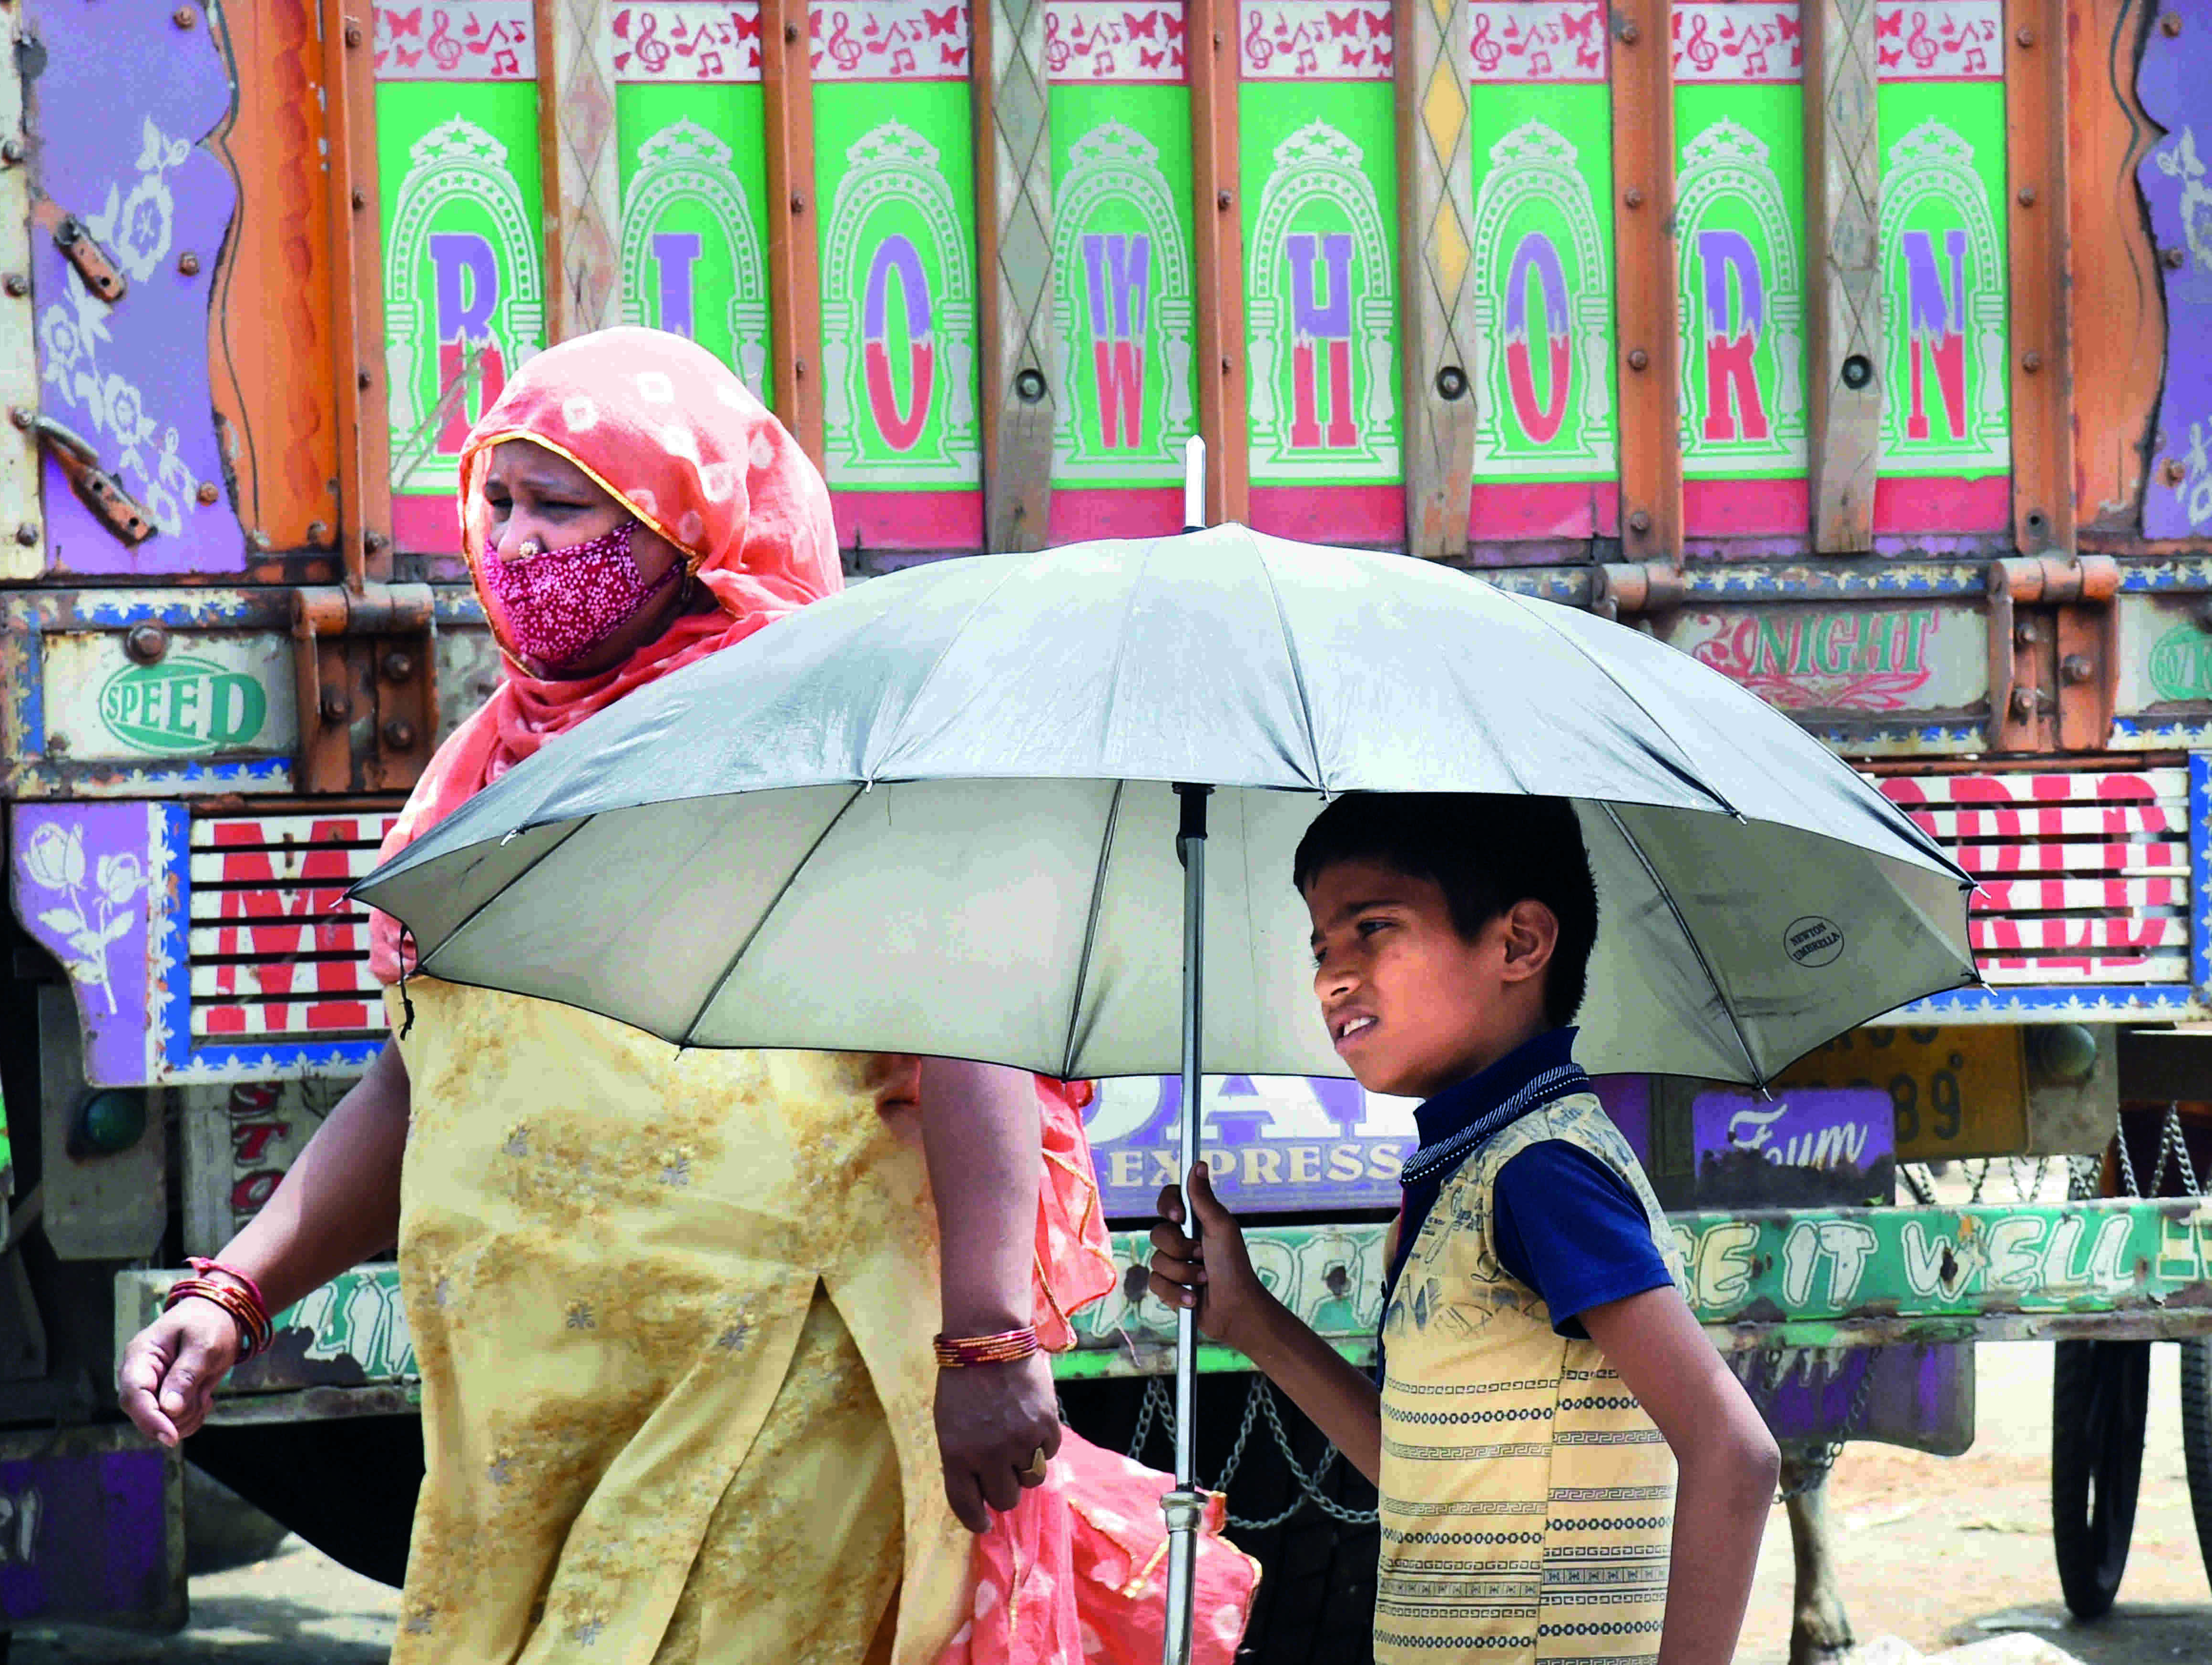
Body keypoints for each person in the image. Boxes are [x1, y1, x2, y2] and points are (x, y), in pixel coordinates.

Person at [114, 328, 1129, 1664]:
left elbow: (969, 1021)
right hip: (544, 1430)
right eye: (501, 502)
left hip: (786, 1393)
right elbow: (434, 1075)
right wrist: (235, 1290)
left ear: (682, 524)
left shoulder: (818, 740)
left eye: (569, 506)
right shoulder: (490, 767)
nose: (523, 543)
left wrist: (992, 1344)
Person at [1147, 792, 1781, 1665]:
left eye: (1373, 928)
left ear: (1519, 943)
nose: (1334, 974)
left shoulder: (1541, 1169)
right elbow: (1419, 1478)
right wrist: (1247, 1318)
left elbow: (1734, 1454)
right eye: (1321, 944)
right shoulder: (1471, 1168)